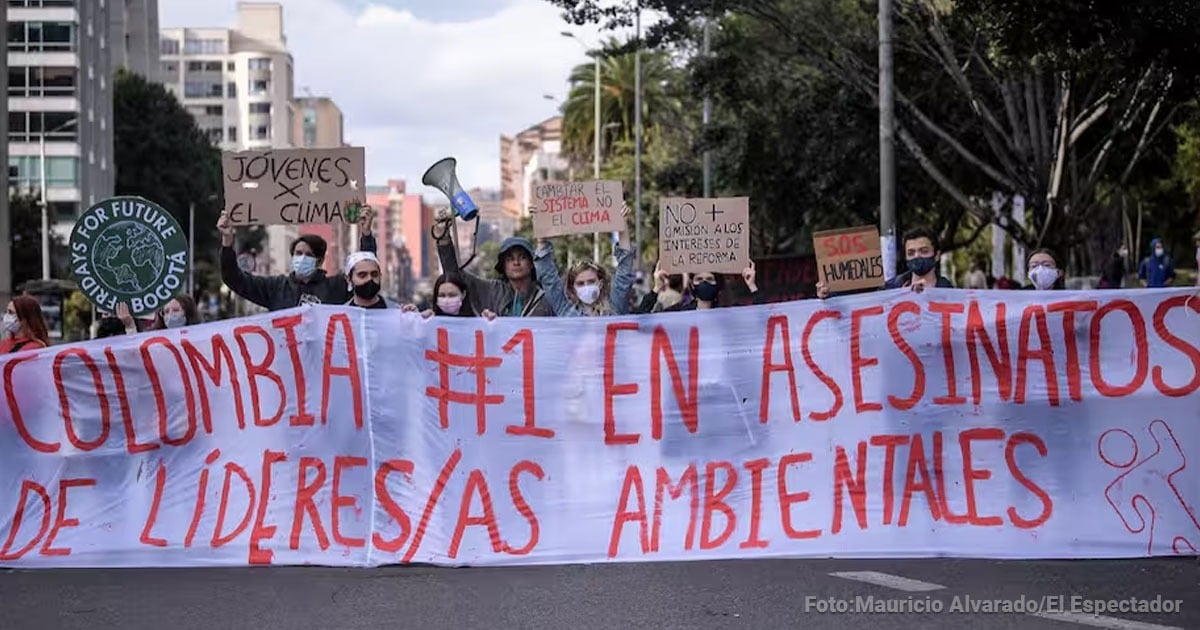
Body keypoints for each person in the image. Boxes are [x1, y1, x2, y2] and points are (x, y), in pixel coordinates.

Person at [216, 205, 377, 310]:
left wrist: (366, 234)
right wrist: (227, 241)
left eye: (308, 255)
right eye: (298, 254)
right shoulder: (276, 288)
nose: (302, 258)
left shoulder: (336, 287)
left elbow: (365, 271)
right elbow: (234, 279)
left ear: (319, 261)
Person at [434, 215, 554, 318]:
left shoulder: (545, 297)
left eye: (522, 257)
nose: (516, 263)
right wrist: (443, 239)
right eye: (510, 259)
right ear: (503, 266)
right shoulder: (492, 291)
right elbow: (455, 276)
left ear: (532, 264)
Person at [532, 204, 636, 317]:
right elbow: (548, 277)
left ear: (600, 283)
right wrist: (541, 235)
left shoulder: (614, 307)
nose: (586, 286)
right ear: (573, 288)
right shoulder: (565, 310)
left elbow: (624, 272)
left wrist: (623, 224)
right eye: (580, 284)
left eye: (591, 281)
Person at [817, 226, 954, 298]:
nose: (917, 256)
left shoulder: (951, 294)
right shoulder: (891, 289)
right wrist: (831, 294)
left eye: (924, 251)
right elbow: (859, 308)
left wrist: (927, 297)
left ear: (936, 256)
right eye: (911, 253)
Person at [665, 262, 762, 311]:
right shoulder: (680, 313)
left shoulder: (730, 311)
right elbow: (651, 319)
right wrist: (656, 289)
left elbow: (763, 315)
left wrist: (752, 286)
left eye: (709, 279)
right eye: (699, 279)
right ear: (692, 284)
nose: (704, 284)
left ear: (718, 283)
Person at [403, 273, 490, 319]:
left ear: (463, 294)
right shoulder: (429, 320)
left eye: (452, 295)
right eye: (442, 295)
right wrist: (415, 318)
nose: (447, 299)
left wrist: (490, 324)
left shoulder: (477, 323)